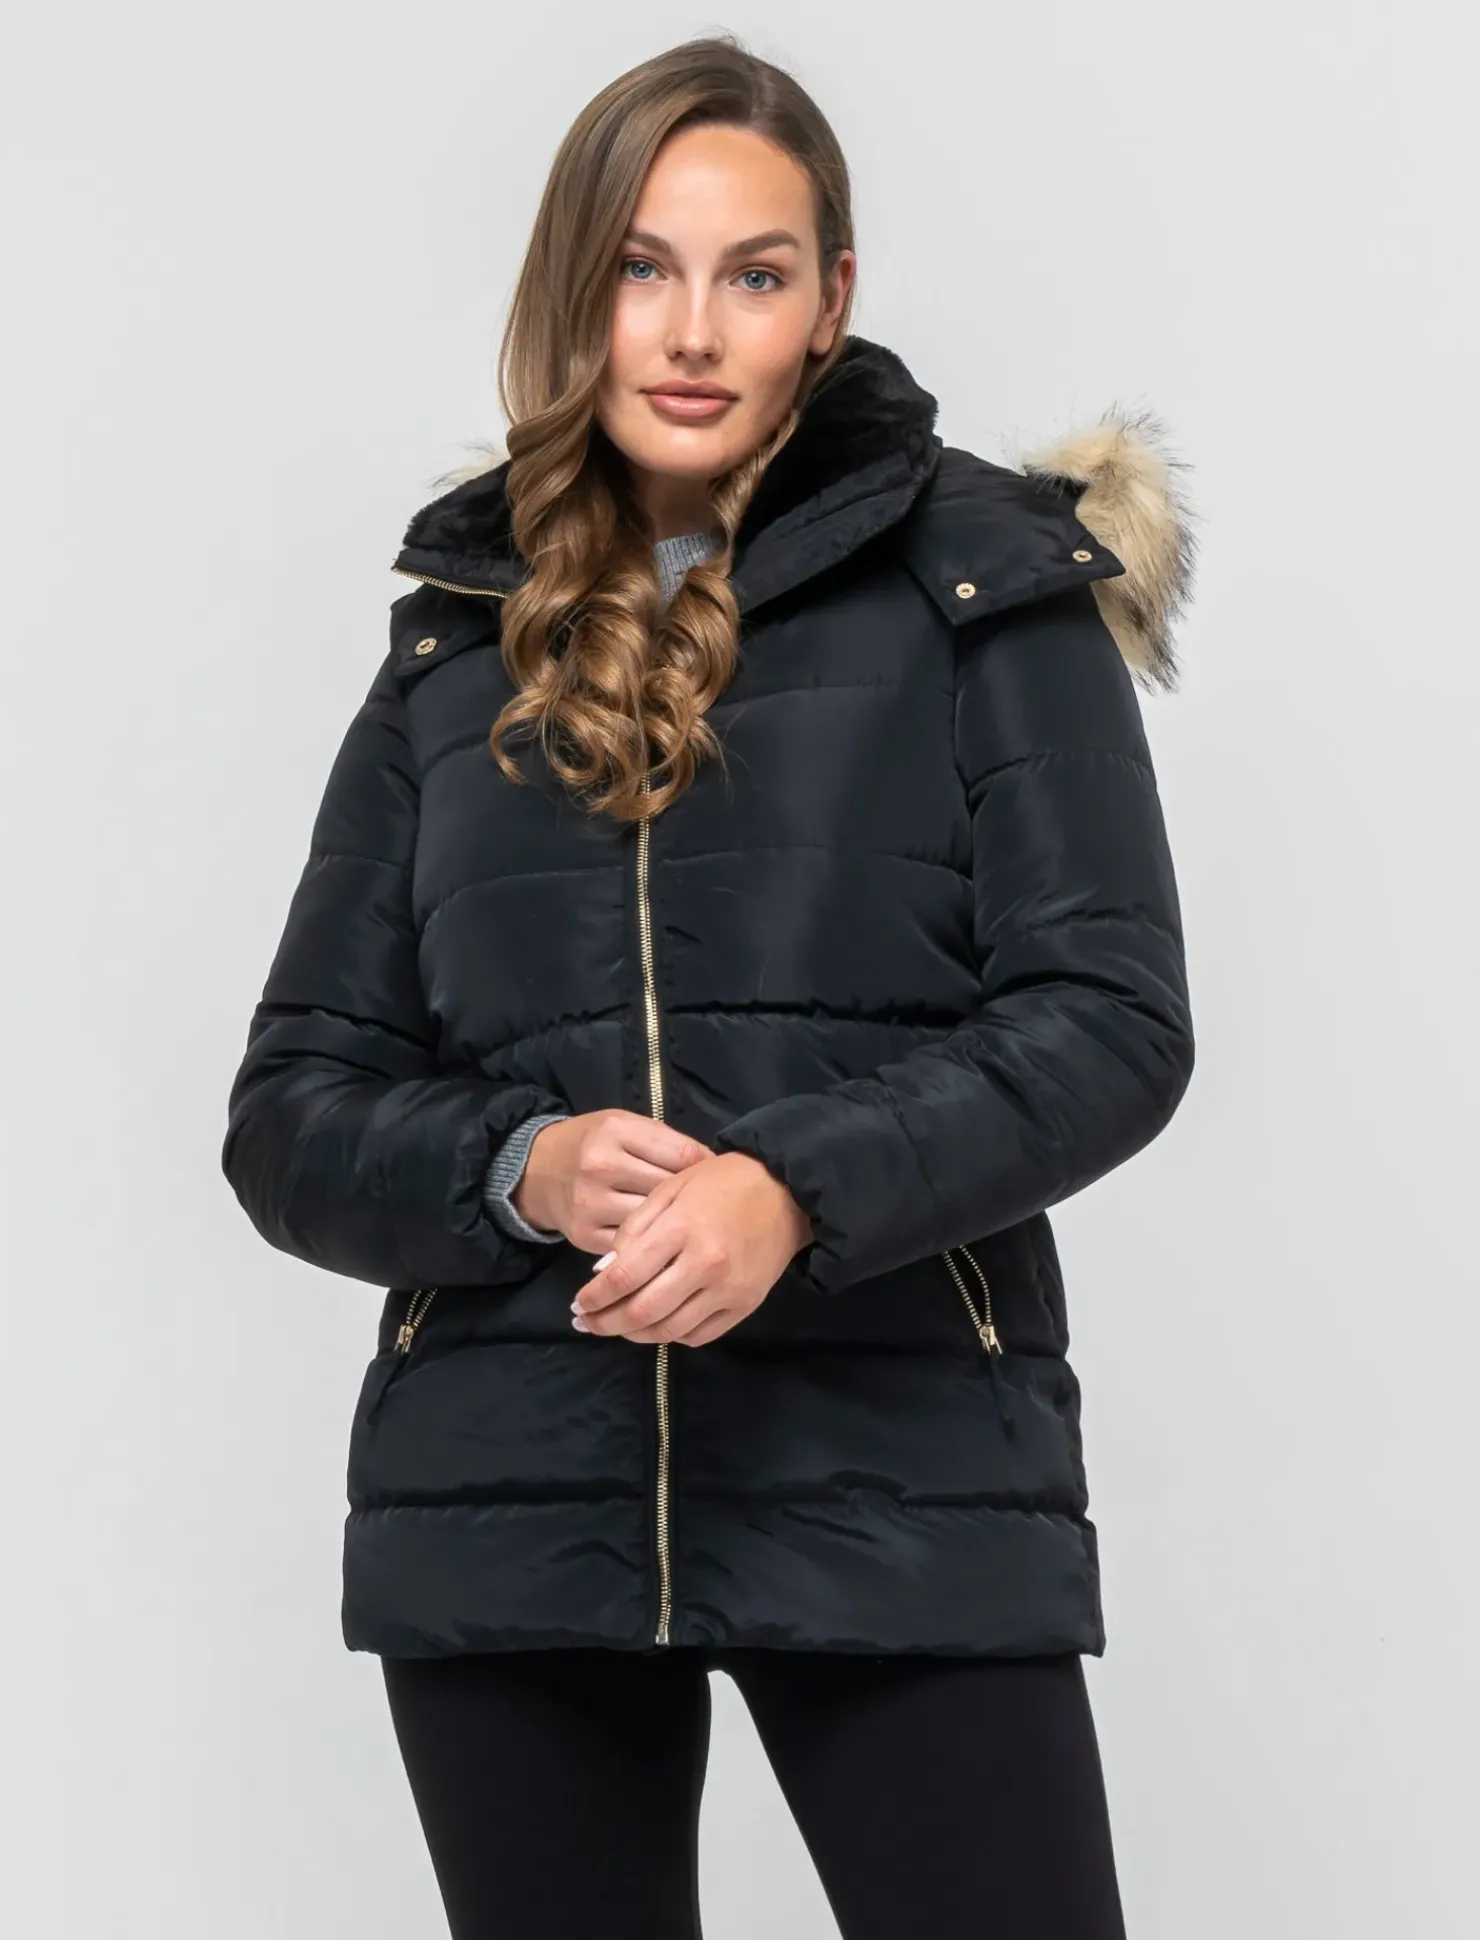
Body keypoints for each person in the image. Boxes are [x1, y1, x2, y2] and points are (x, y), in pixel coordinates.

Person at [221, 32, 1197, 1940]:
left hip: (899, 1474)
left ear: (832, 299)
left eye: (754, 273)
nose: (690, 329)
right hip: (515, 1497)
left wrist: (795, 1191)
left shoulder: (987, 589)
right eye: (641, 269)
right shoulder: (457, 649)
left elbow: (1111, 1017)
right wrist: (517, 1168)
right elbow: (291, 1110)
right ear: (573, 289)